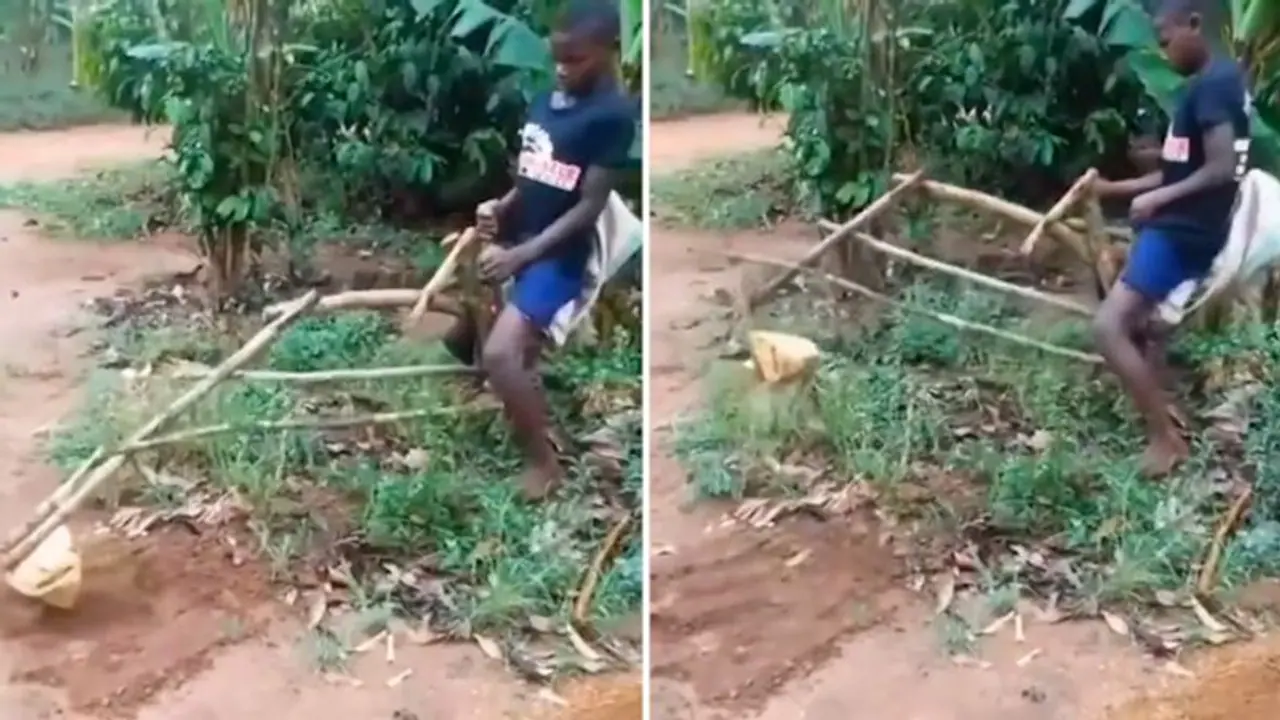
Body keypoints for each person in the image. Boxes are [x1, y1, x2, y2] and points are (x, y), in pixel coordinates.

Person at [444, 0, 635, 500]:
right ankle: (487, 385)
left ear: (608, 51)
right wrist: (500, 207)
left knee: (502, 354)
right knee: (469, 336)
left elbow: (589, 207)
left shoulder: (612, 116)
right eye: (558, 59)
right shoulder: (548, 100)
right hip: (520, 238)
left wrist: (523, 256)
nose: (563, 70)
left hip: (558, 255)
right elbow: (534, 174)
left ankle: (544, 465)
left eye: (576, 60)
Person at [1092, 0, 1251, 476]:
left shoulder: (1215, 87)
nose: (1162, 53)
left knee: (1107, 327)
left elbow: (1222, 169)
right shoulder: (1208, 86)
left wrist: (1159, 200)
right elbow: (1175, 171)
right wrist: (1112, 189)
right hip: (1177, 225)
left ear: (1194, 25)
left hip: (1183, 232)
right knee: (1141, 325)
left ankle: (1166, 440)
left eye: (1165, 40)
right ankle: (1160, 406)